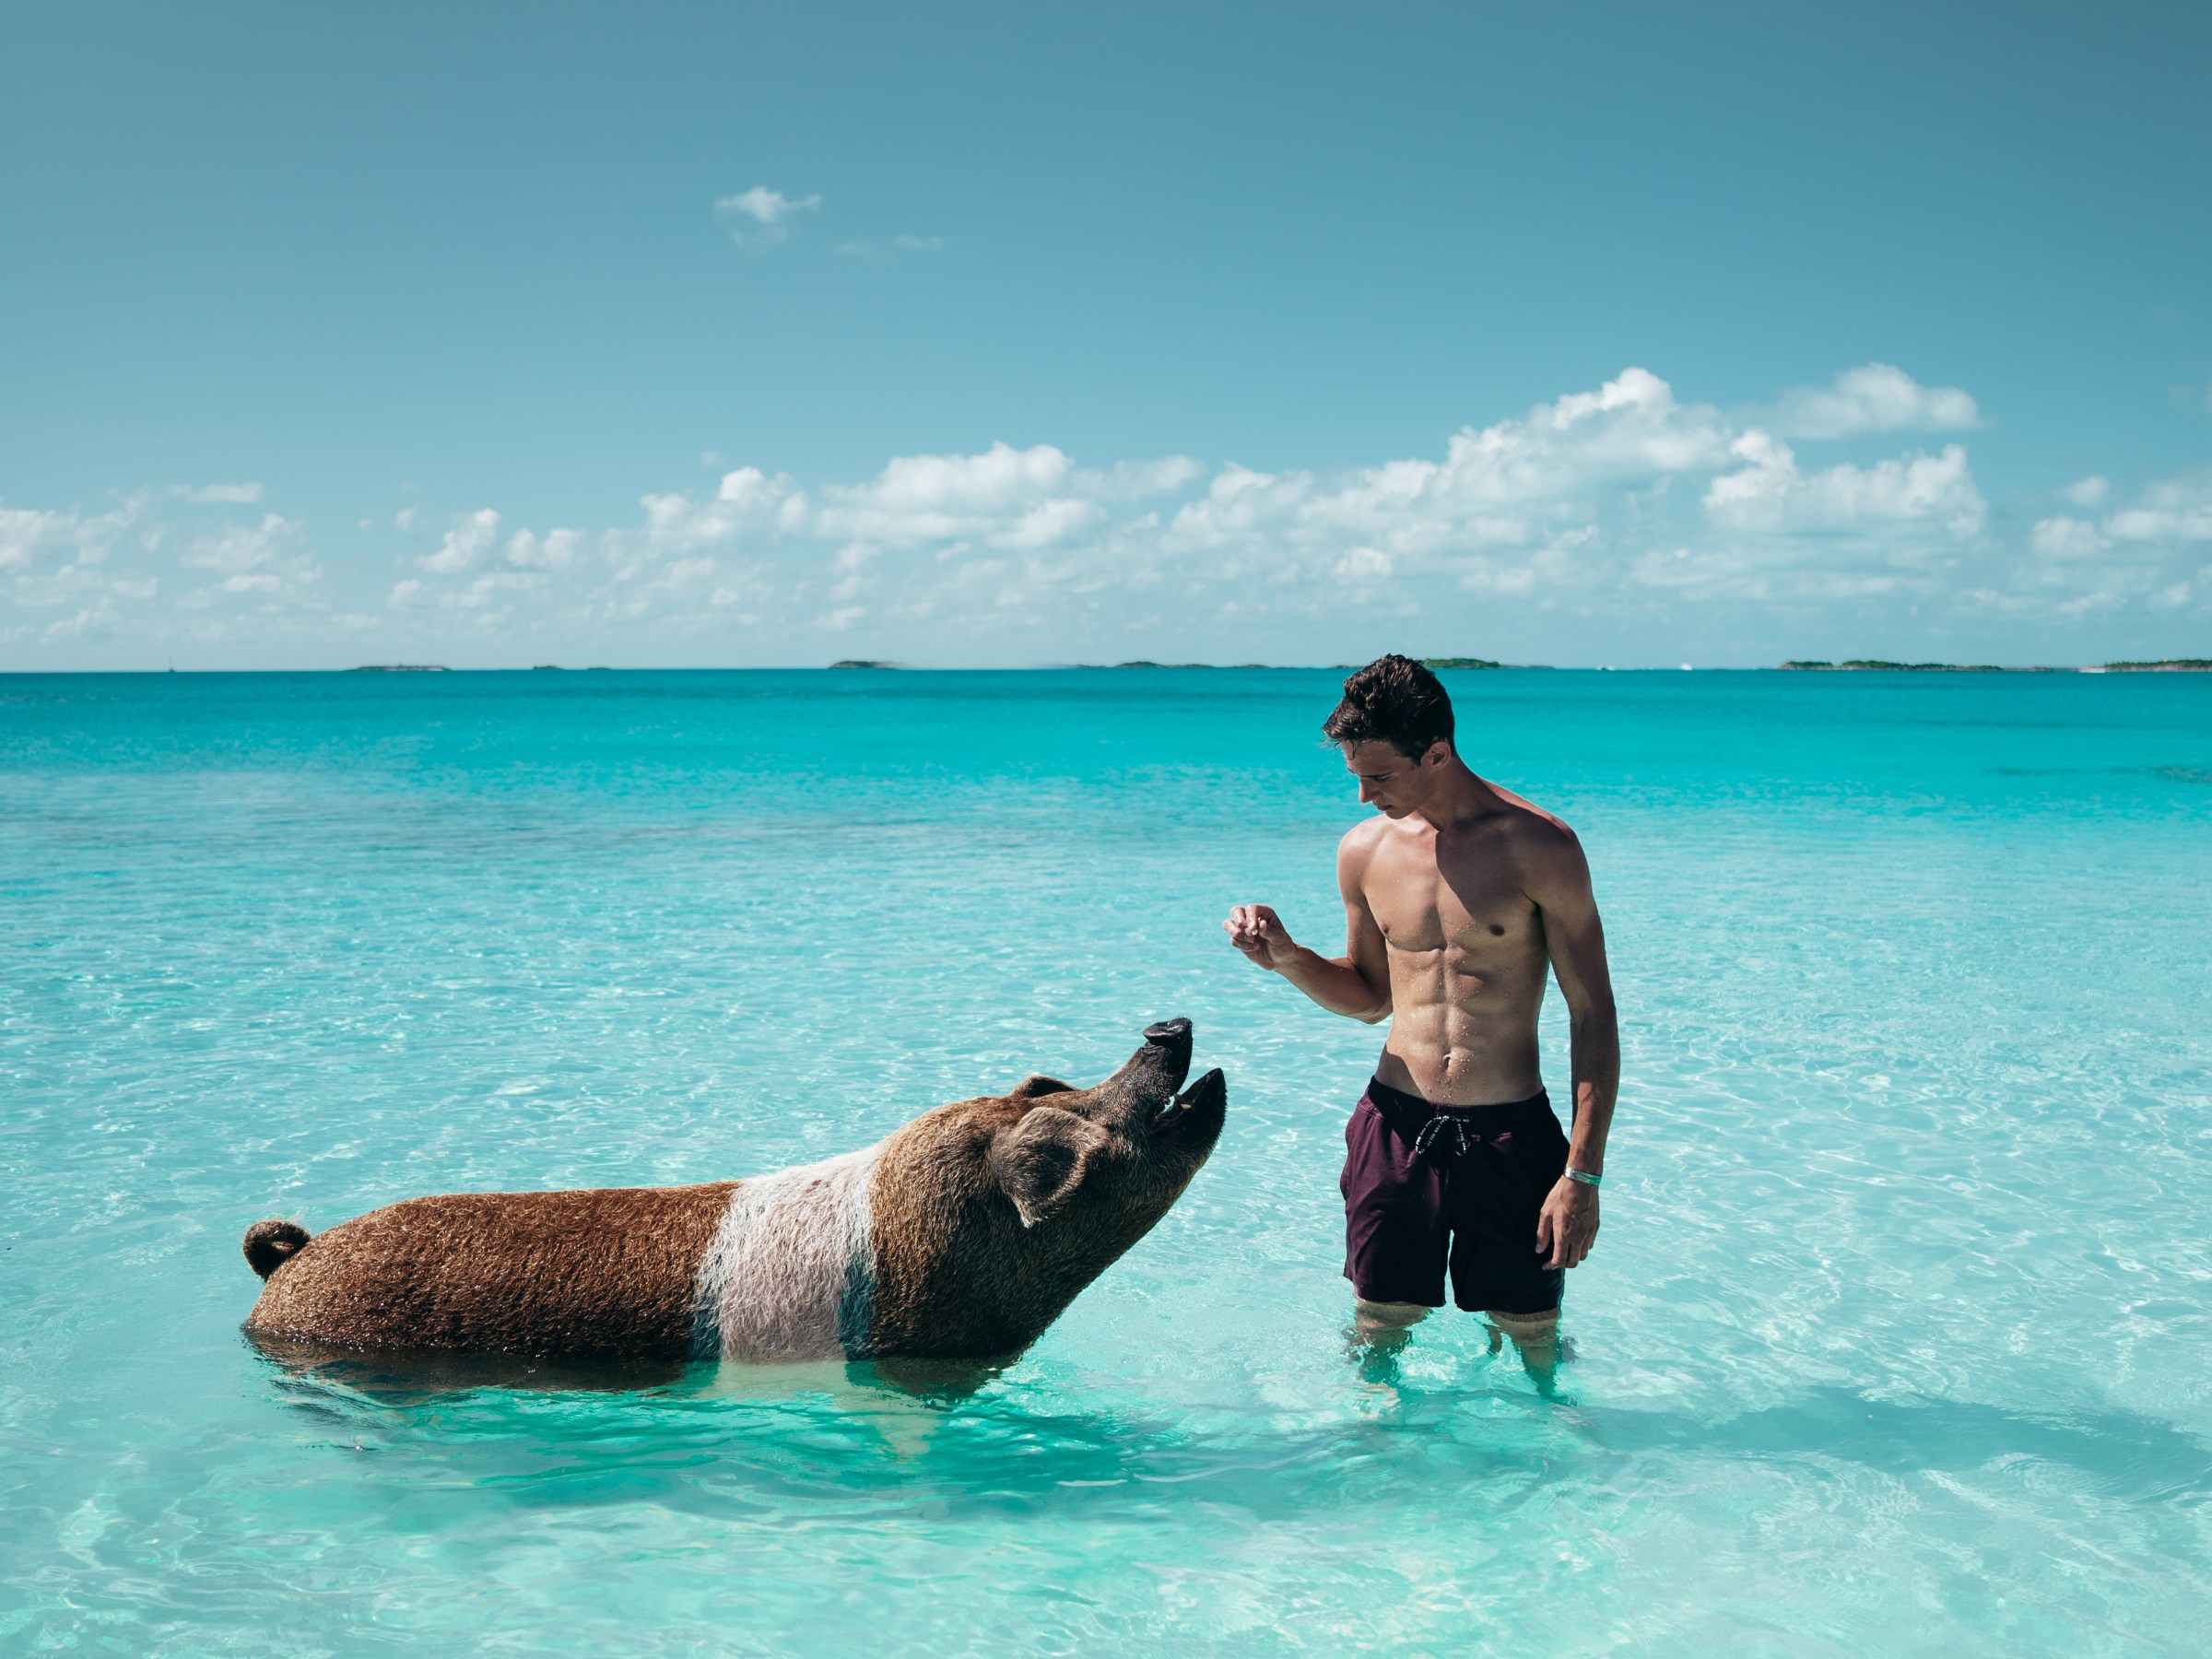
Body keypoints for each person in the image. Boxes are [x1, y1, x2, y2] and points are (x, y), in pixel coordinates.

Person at [1224, 654, 1618, 1364]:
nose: (1363, 796)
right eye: (1355, 776)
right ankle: (1375, 1462)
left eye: (1379, 777)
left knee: (1530, 1333)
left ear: (1437, 753)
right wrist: (1287, 959)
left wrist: (1582, 1176)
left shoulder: (1539, 847)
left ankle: (1555, 1464)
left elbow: (1593, 1015)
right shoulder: (1364, 852)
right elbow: (1372, 998)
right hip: (1395, 1126)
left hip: (1511, 1137)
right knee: (1379, 1329)